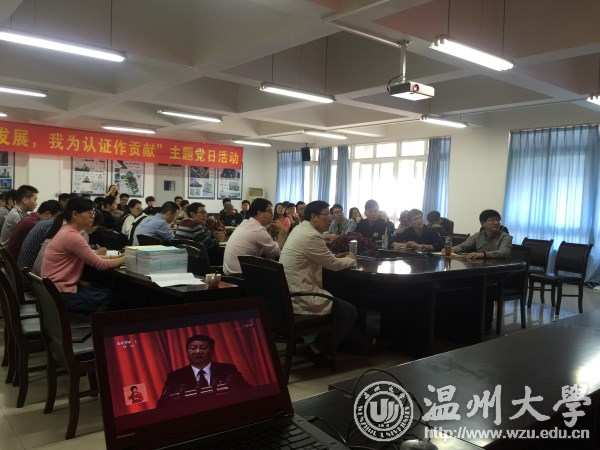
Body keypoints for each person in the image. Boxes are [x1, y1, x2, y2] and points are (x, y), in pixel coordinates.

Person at [279, 201, 376, 366]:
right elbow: (334, 265)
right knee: (348, 311)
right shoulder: (312, 236)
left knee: (342, 303)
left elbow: (322, 258)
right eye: (326, 214)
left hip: (288, 293)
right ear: (314, 217)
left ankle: (364, 345)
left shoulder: (299, 229)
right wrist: (351, 259)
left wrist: (336, 257)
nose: (330, 218)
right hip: (301, 295)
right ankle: (317, 349)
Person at [41, 197, 124, 314]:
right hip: (61, 294)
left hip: (53, 290)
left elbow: (90, 256)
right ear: (75, 214)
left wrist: (118, 257)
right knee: (111, 296)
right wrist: (126, 259)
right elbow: (100, 264)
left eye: (93, 213)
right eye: (89, 213)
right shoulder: (72, 236)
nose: (93, 216)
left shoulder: (65, 229)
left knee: (102, 291)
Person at [452, 209, 513, 333]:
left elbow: (505, 252)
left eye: (498, 220)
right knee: (460, 282)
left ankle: (485, 325)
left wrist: (483, 254)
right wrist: (451, 249)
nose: (496, 222)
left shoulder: (504, 236)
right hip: (481, 272)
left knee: (485, 286)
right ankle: (465, 321)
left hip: (500, 274)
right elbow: (463, 246)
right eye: (492, 220)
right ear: (482, 223)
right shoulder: (477, 236)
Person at [157, 334, 249, 407]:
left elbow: (246, 392)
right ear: (187, 352)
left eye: (203, 348)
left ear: (212, 351)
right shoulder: (175, 377)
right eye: (193, 348)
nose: (198, 352)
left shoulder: (228, 370)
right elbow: (162, 405)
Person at [223, 198, 286, 275]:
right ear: (259, 213)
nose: (272, 214)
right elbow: (278, 252)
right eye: (270, 211)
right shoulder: (258, 230)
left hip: (228, 275)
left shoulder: (245, 223)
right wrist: (282, 230)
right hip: (241, 277)